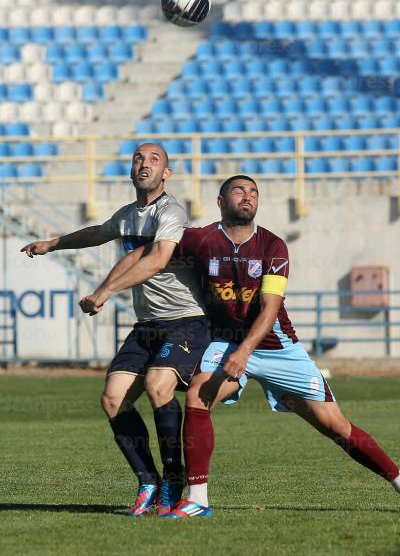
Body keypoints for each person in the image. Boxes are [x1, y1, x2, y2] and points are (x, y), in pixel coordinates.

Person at [159, 174, 399, 517]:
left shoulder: (272, 246)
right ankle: (197, 499)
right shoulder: (200, 240)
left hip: (277, 348)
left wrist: (244, 354)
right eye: (239, 191)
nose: (247, 197)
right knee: (199, 395)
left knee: (336, 426)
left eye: (253, 192)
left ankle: (397, 480)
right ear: (220, 201)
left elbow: (270, 309)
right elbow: (153, 251)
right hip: (225, 342)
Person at [21, 142, 210, 517]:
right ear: (131, 169)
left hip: (186, 319)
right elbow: (97, 232)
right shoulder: (127, 215)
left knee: (158, 387)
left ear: (166, 173)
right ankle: (148, 480)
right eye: (139, 158)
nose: (145, 164)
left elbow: (157, 260)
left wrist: (105, 290)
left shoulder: (171, 210)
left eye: (155, 160)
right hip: (148, 323)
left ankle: (174, 481)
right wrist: (53, 244)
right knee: (112, 399)